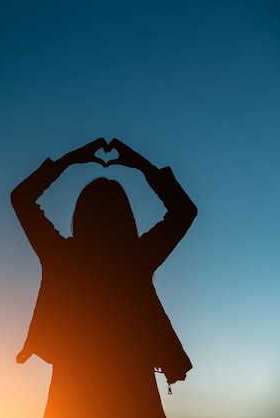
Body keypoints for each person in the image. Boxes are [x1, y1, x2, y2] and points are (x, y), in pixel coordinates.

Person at [11, 138, 197, 418]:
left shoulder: (61, 256)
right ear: (125, 217)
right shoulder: (137, 257)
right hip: (134, 391)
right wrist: (141, 165)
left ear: (81, 214)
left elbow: (21, 198)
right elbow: (184, 210)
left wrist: (69, 159)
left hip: (72, 392)